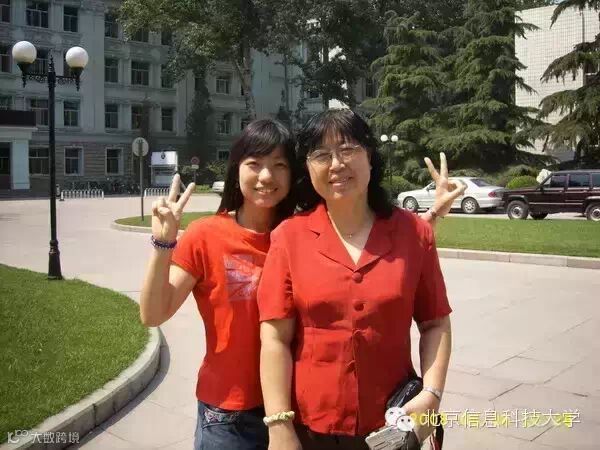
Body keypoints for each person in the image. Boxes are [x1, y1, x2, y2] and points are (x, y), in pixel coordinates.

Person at [139, 116, 463, 450]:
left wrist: (430, 218)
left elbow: (388, 256)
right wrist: (163, 243)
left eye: (279, 165)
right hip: (235, 412)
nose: (266, 176)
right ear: (236, 168)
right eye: (254, 164)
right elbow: (154, 314)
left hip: (322, 412)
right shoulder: (230, 235)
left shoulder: (296, 230)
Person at [258, 109, 454, 450]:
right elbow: (275, 338)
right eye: (321, 155)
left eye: (348, 149)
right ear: (308, 167)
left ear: (370, 156)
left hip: (393, 422)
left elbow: (435, 322)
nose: (336, 164)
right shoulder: (289, 237)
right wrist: (279, 425)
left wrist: (431, 395)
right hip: (313, 426)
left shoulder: (413, 232)